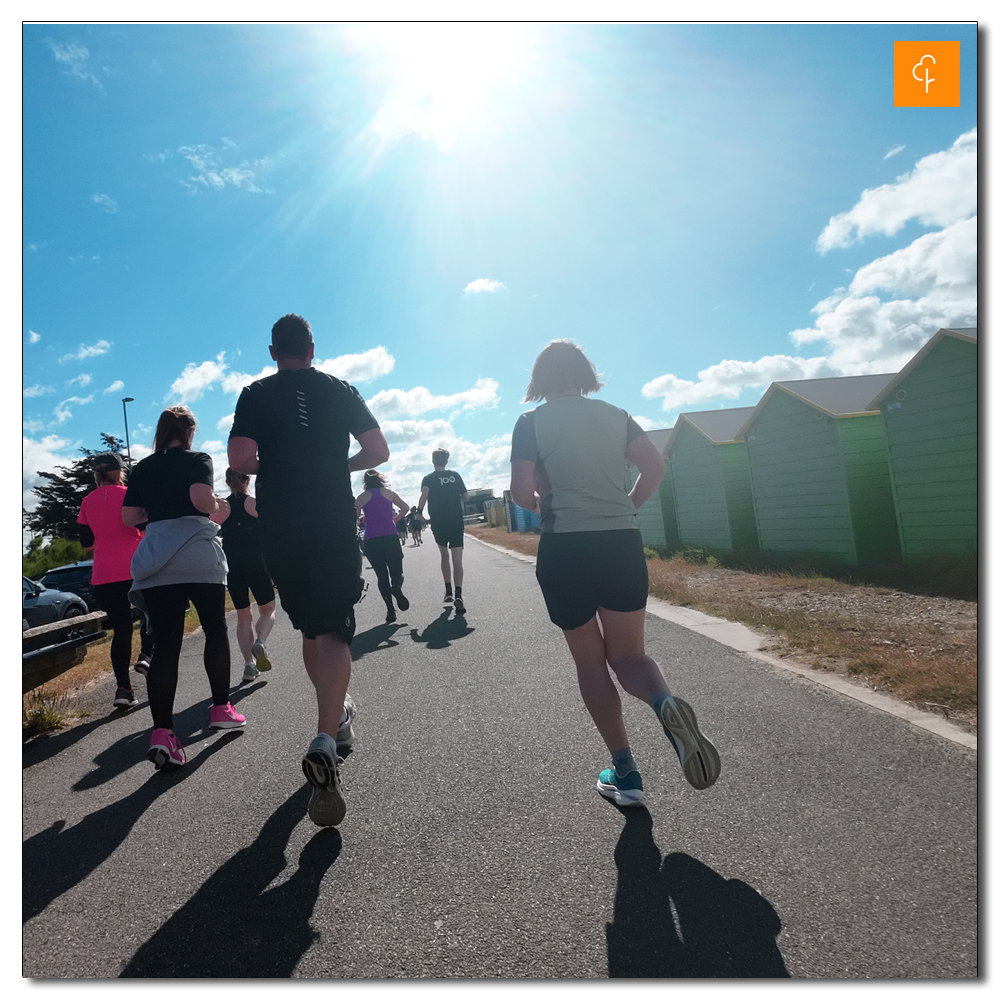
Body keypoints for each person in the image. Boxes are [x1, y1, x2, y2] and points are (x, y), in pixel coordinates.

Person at [509, 340, 720, 807]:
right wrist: (626, 507)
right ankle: (664, 702)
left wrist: (544, 503)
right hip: (620, 542)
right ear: (585, 374)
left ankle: (625, 771)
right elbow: (654, 465)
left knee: (590, 662)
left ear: (540, 380)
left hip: (565, 545)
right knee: (630, 656)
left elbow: (522, 491)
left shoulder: (531, 423)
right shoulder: (616, 414)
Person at [228, 313, 390, 828]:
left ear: (273, 351)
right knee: (336, 624)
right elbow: (378, 451)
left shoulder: (254, 393)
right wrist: (333, 464)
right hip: (330, 519)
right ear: (313, 348)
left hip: (280, 525)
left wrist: (272, 464)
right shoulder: (340, 388)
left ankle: (335, 719)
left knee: (307, 625)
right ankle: (326, 735)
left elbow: (239, 457)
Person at [122, 405, 244, 770]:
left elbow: (130, 517)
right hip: (197, 555)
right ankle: (221, 708)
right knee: (215, 630)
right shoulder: (198, 459)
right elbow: (200, 500)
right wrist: (219, 504)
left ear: (161, 431)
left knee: (166, 643)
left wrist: (157, 510)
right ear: (189, 431)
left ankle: (163, 734)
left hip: (159, 558)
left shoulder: (142, 467)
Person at [76, 450, 152, 709]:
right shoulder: (130, 494)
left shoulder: (87, 501)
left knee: (121, 630)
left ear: (96, 475)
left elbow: (86, 543)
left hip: (104, 575)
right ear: (119, 472)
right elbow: (145, 526)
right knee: (150, 614)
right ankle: (146, 655)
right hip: (136, 569)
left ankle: (123, 689)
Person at [216, 467, 277, 682]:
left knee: (243, 616)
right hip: (256, 563)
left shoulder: (221, 507)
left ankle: (249, 665)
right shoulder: (252, 502)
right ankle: (260, 641)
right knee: (268, 609)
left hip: (232, 565)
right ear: (248, 479)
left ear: (227, 480)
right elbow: (271, 528)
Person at [417, 449, 468, 614]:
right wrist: (454, 499)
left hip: (439, 522)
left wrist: (419, 512)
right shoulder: (455, 476)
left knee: (444, 555)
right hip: (456, 521)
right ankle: (459, 594)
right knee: (457, 559)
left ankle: (448, 592)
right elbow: (466, 496)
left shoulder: (428, 479)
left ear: (433, 460)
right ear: (446, 461)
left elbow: (424, 495)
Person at [355, 470, 410, 624]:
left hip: (371, 539)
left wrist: (363, 518)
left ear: (365, 482)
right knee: (397, 571)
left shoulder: (361, 498)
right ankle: (396, 587)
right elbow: (405, 507)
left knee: (381, 575)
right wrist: (396, 518)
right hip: (390, 536)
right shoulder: (389, 493)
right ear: (381, 479)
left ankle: (390, 610)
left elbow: (356, 519)